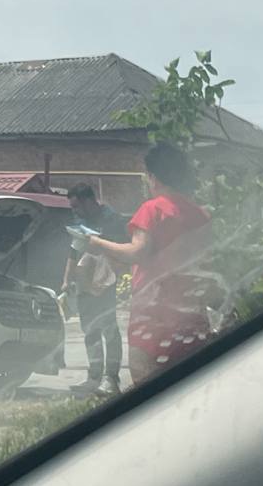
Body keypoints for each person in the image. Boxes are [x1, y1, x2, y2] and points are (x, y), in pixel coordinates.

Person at [85, 143, 214, 385]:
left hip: (155, 316)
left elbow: (138, 252)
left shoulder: (152, 209)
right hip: (192, 313)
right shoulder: (201, 214)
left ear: (152, 177)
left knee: (149, 391)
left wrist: (97, 244)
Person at [62, 183, 128, 396]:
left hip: (106, 282)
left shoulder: (113, 221)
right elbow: (73, 253)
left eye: (77, 206)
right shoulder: (80, 223)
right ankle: (94, 377)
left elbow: (125, 251)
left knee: (109, 329)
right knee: (90, 329)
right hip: (84, 284)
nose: (75, 211)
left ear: (90, 201)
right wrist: (66, 280)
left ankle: (111, 377)